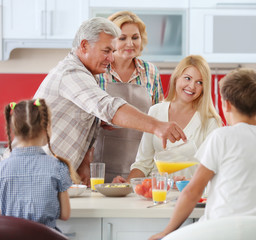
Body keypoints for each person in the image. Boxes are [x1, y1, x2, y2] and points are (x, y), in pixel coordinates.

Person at [1, 17, 186, 186]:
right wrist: (158, 126)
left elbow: (88, 119)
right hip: (28, 176)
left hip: (47, 175)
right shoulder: (71, 73)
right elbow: (107, 106)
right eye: (106, 51)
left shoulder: (92, 75)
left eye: (113, 51)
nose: (111, 58)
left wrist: (84, 163)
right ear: (84, 46)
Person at [149, 68, 256, 240]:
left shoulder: (221, 137)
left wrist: (167, 232)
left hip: (218, 233)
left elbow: (192, 193)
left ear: (227, 104)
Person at [112, 55, 223, 183]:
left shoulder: (210, 121)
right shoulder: (156, 111)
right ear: (176, 78)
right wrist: (127, 185)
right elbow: (143, 163)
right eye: (188, 78)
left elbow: (214, 169)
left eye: (200, 82)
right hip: (156, 193)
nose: (192, 86)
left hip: (188, 194)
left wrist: (188, 181)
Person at [94, 11, 164, 182]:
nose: (130, 43)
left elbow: (160, 114)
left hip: (141, 164)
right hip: (100, 162)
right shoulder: (98, 71)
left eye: (135, 37)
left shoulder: (151, 72)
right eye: (122, 38)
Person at [0, 99, 79, 231]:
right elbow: (65, 215)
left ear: (13, 129)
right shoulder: (58, 167)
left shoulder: (2, 169)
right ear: (46, 128)